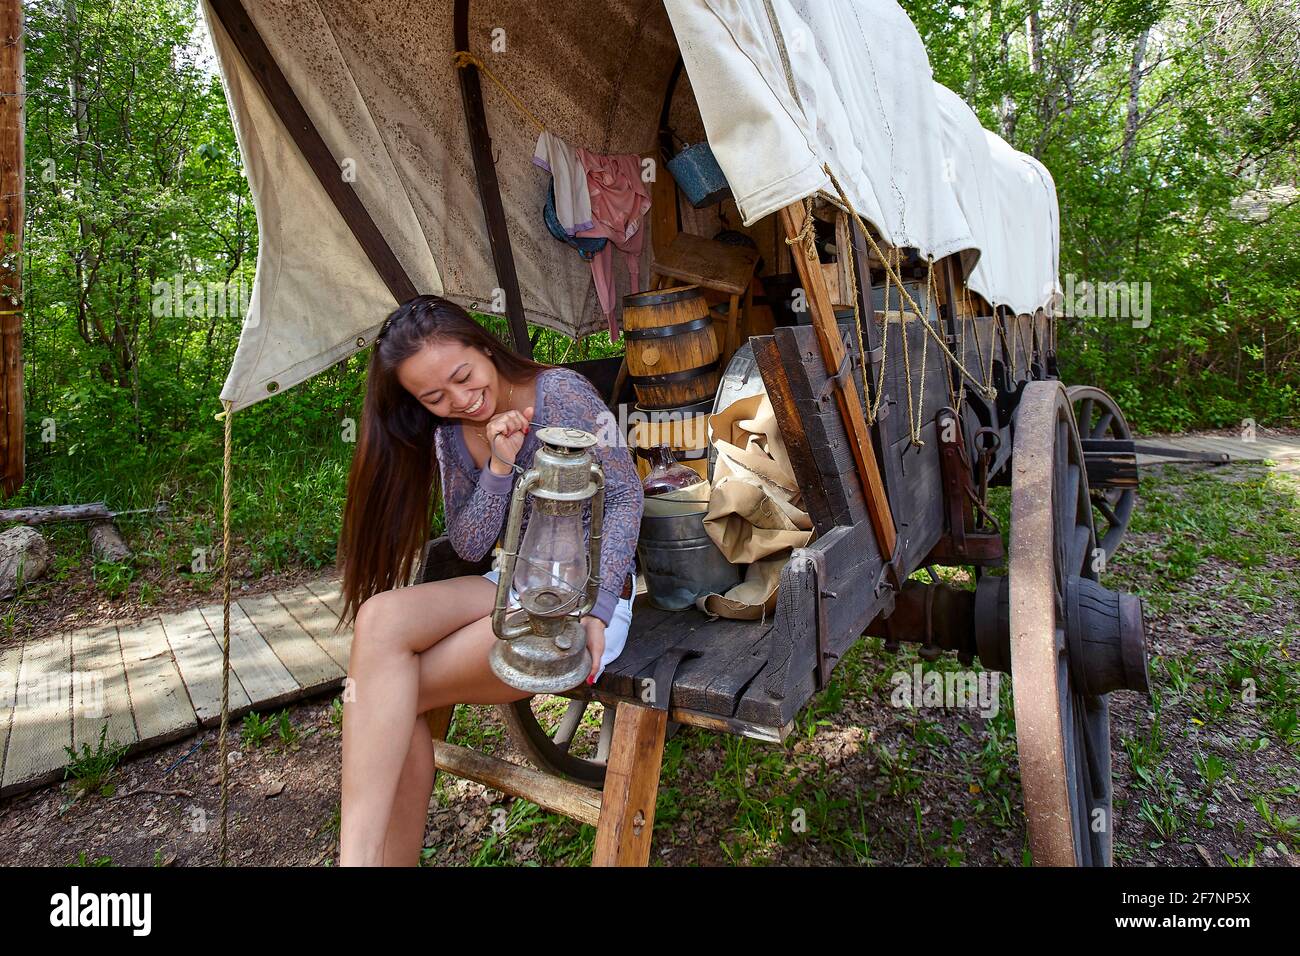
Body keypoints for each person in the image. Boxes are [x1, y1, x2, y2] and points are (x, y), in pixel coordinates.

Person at [334, 294, 643, 866]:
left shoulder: (563, 394)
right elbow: (472, 544)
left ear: (483, 346)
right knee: (380, 617)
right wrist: (499, 466)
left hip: (578, 601)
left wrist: (598, 609)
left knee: (387, 699)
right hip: (507, 583)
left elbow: (626, 495)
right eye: (434, 397)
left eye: (462, 376)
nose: (459, 400)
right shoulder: (450, 432)